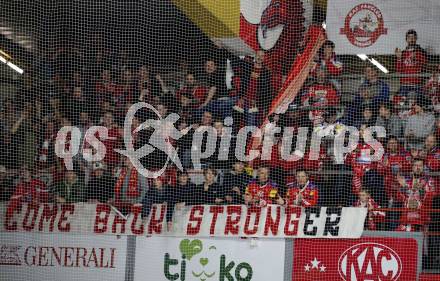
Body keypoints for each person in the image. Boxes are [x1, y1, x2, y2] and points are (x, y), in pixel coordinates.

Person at [395, 159, 437, 232]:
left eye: (420, 166)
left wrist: (421, 190)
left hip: (421, 220)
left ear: (423, 167)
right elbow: (399, 198)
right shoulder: (406, 181)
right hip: (406, 219)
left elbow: (431, 198)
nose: (418, 168)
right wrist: (403, 187)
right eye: (416, 165)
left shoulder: (429, 180)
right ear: (412, 167)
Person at [395, 29, 427, 96]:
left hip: (417, 84)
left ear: (416, 39)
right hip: (404, 84)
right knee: (400, 103)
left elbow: (424, 66)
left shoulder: (421, 51)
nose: (411, 39)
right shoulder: (403, 53)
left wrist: (416, 58)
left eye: (413, 37)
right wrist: (399, 58)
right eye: (409, 37)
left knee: (420, 102)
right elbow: (399, 70)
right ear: (406, 39)